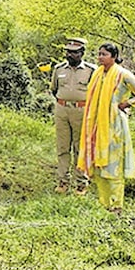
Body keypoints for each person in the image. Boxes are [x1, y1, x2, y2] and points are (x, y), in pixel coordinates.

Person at [77, 43, 135, 214]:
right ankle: (104, 204)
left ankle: (116, 205)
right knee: (98, 165)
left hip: (114, 126)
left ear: (114, 56)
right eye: (99, 54)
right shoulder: (97, 73)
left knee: (114, 166)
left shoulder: (123, 74)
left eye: (104, 54)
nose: (100, 57)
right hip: (95, 125)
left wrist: (127, 103)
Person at [49, 37, 97, 194]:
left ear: (82, 53)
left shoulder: (91, 70)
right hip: (62, 109)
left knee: (80, 147)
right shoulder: (59, 69)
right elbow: (54, 89)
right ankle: (63, 181)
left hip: (81, 111)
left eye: (74, 53)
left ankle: (81, 182)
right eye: (68, 52)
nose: (70, 55)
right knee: (63, 147)